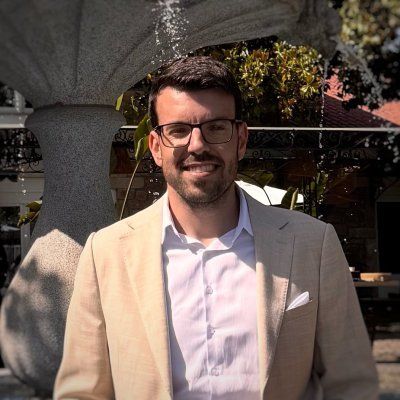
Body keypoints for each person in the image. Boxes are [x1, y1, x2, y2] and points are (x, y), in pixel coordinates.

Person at [54, 56, 379, 400]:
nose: (197, 145)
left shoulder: (313, 244)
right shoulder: (105, 253)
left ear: (241, 139)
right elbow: (82, 393)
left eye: (216, 127)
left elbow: (351, 385)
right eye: (178, 130)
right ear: (156, 147)